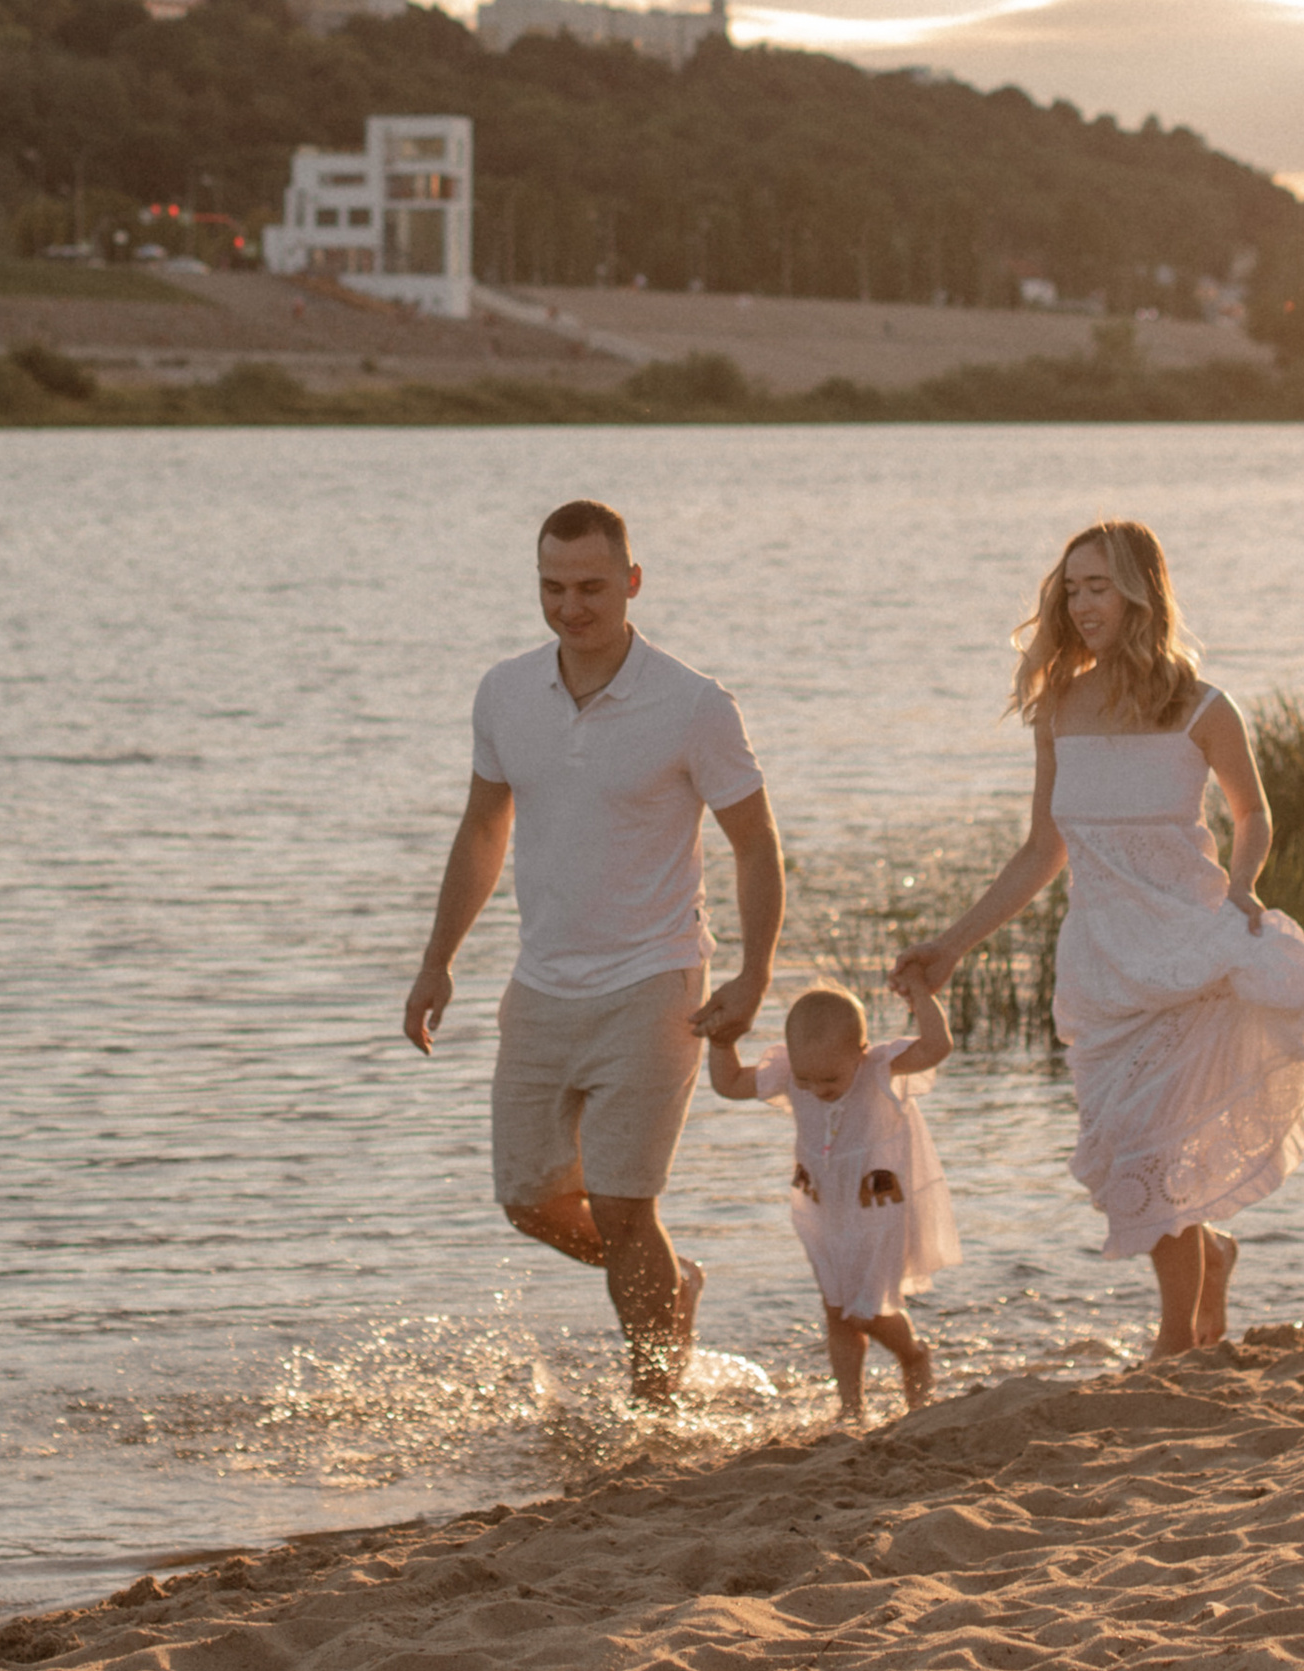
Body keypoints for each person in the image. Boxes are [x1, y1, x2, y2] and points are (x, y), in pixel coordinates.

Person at [892, 519, 1304, 1357]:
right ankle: (1213, 1261)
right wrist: (951, 947)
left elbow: (1253, 812)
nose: (1084, 603)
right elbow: (1040, 851)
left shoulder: (1203, 707)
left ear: (1141, 592)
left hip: (1189, 953)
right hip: (1102, 965)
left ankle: (1177, 1342)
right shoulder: (1058, 706)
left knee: (1154, 1155)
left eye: (1100, 586)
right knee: (1131, 1145)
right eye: (1073, 588)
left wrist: (1241, 886)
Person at [403, 495, 783, 1402]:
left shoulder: (693, 705)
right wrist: (437, 958)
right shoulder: (504, 692)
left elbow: (757, 842)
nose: (572, 607)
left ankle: (654, 1399)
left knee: (622, 1202)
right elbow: (482, 830)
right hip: (541, 983)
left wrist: (755, 970)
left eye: (591, 587)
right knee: (529, 1199)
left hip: (655, 982)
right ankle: (672, 1283)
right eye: (553, 587)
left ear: (632, 584)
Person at [705, 976, 958, 1422]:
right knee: (837, 1310)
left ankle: (913, 1354)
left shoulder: (879, 1069)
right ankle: (851, 1408)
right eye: (805, 1077)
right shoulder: (791, 1076)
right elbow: (729, 1084)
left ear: (860, 1052)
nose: (817, 1088)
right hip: (823, 1211)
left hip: (878, 1214)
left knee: (866, 1310)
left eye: (830, 1078)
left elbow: (937, 1047)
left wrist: (922, 996)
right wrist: (722, 1041)